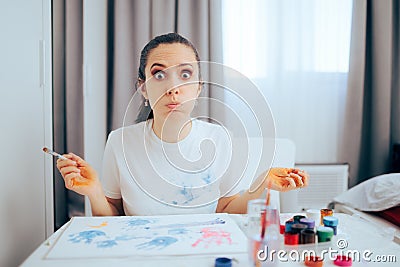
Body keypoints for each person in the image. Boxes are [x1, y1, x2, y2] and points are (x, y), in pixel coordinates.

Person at [57, 32, 309, 216]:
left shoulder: (220, 138)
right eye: (159, 74)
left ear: (199, 87)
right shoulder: (120, 142)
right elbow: (113, 215)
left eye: (185, 74)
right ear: (142, 88)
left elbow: (227, 208)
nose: (173, 88)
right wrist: (94, 192)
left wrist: (262, 184)